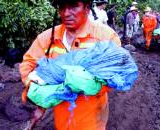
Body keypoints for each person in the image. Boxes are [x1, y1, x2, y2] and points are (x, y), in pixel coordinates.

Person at [19, 0, 121, 130]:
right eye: (62, 6)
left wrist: (88, 85)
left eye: (73, 6)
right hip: (61, 115)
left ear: (87, 8)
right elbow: (28, 63)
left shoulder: (106, 36)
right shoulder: (48, 37)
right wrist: (36, 88)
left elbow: (116, 73)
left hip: (92, 116)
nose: (66, 13)